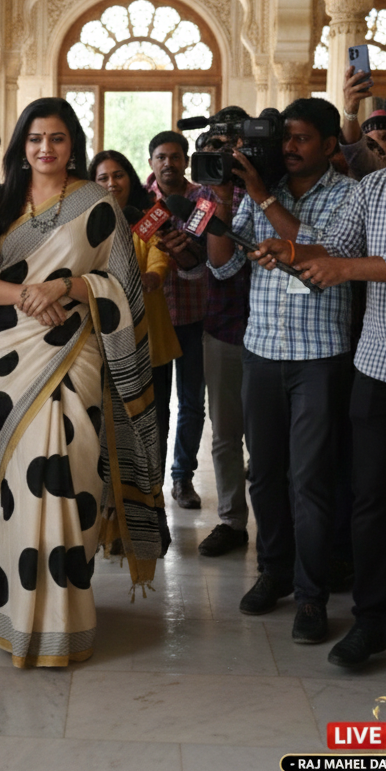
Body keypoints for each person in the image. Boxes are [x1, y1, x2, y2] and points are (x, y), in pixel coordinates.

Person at [257, 82, 386, 672]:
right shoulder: (371, 188)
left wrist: (338, 268)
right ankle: (371, 621)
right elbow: (335, 242)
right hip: (377, 368)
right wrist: (289, 250)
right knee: (370, 502)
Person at [0, 97, 162, 667]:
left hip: (77, 354)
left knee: (70, 480)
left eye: (55, 138)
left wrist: (70, 287)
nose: (44, 148)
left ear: (72, 142)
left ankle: (66, 618)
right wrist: (28, 295)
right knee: (23, 492)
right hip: (12, 356)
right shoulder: (1, 202)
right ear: (20, 146)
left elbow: (122, 288)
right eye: (34, 139)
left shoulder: (97, 204)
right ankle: (21, 616)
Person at [207, 98, 355, 644]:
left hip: (320, 354)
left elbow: (327, 250)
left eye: (301, 138)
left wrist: (261, 197)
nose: (289, 148)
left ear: (329, 144)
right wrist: (224, 202)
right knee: (264, 474)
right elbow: (222, 263)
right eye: (284, 138)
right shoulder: (256, 189)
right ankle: (273, 572)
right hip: (262, 351)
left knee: (310, 480)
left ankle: (312, 597)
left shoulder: (347, 194)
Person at [90, 149, 180, 477]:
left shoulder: (146, 216)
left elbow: (159, 252)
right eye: (103, 178)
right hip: (103, 344)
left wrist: (154, 276)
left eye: (118, 175)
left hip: (150, 340)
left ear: (130, 177)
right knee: (107, 425)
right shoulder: (86, 221)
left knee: (155, 424)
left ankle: (153, 496)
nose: (112, 183)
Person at [192, 118, 252, 558]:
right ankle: (231, 520)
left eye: (232, 148)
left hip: (279, 330)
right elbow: (204, 262)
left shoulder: (272, 192)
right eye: (216, 149)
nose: (225, 159)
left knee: (274, 438)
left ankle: (281, 522)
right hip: (224, 325)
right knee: (225, 434)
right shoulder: (205, 201)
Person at [146, 131, 208, 505]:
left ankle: (182, 478)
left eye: (175, 156)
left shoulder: (202, 200)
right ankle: (151, 479)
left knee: (191, 404)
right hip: (153, 319)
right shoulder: (140, 200)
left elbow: (201, 253)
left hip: (193, 317)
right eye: (161, 157)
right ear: (151, 162)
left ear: (185, 160)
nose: (168, 163)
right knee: (155, 405)